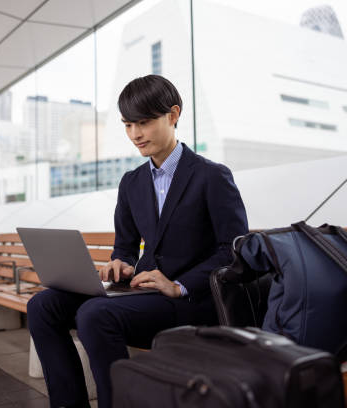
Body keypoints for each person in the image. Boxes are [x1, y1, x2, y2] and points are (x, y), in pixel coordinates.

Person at [27, 75, 248, 408]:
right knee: (42, 306)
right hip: (143, 293)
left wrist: (178, 284)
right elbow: (126, 245)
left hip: (189, 300)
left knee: (94, 315)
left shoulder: (211, 176)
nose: (135, 135)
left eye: (144, 122)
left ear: (173, 115)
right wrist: (121, 263)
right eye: (128, 125)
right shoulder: (132, 183)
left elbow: (233, 252)